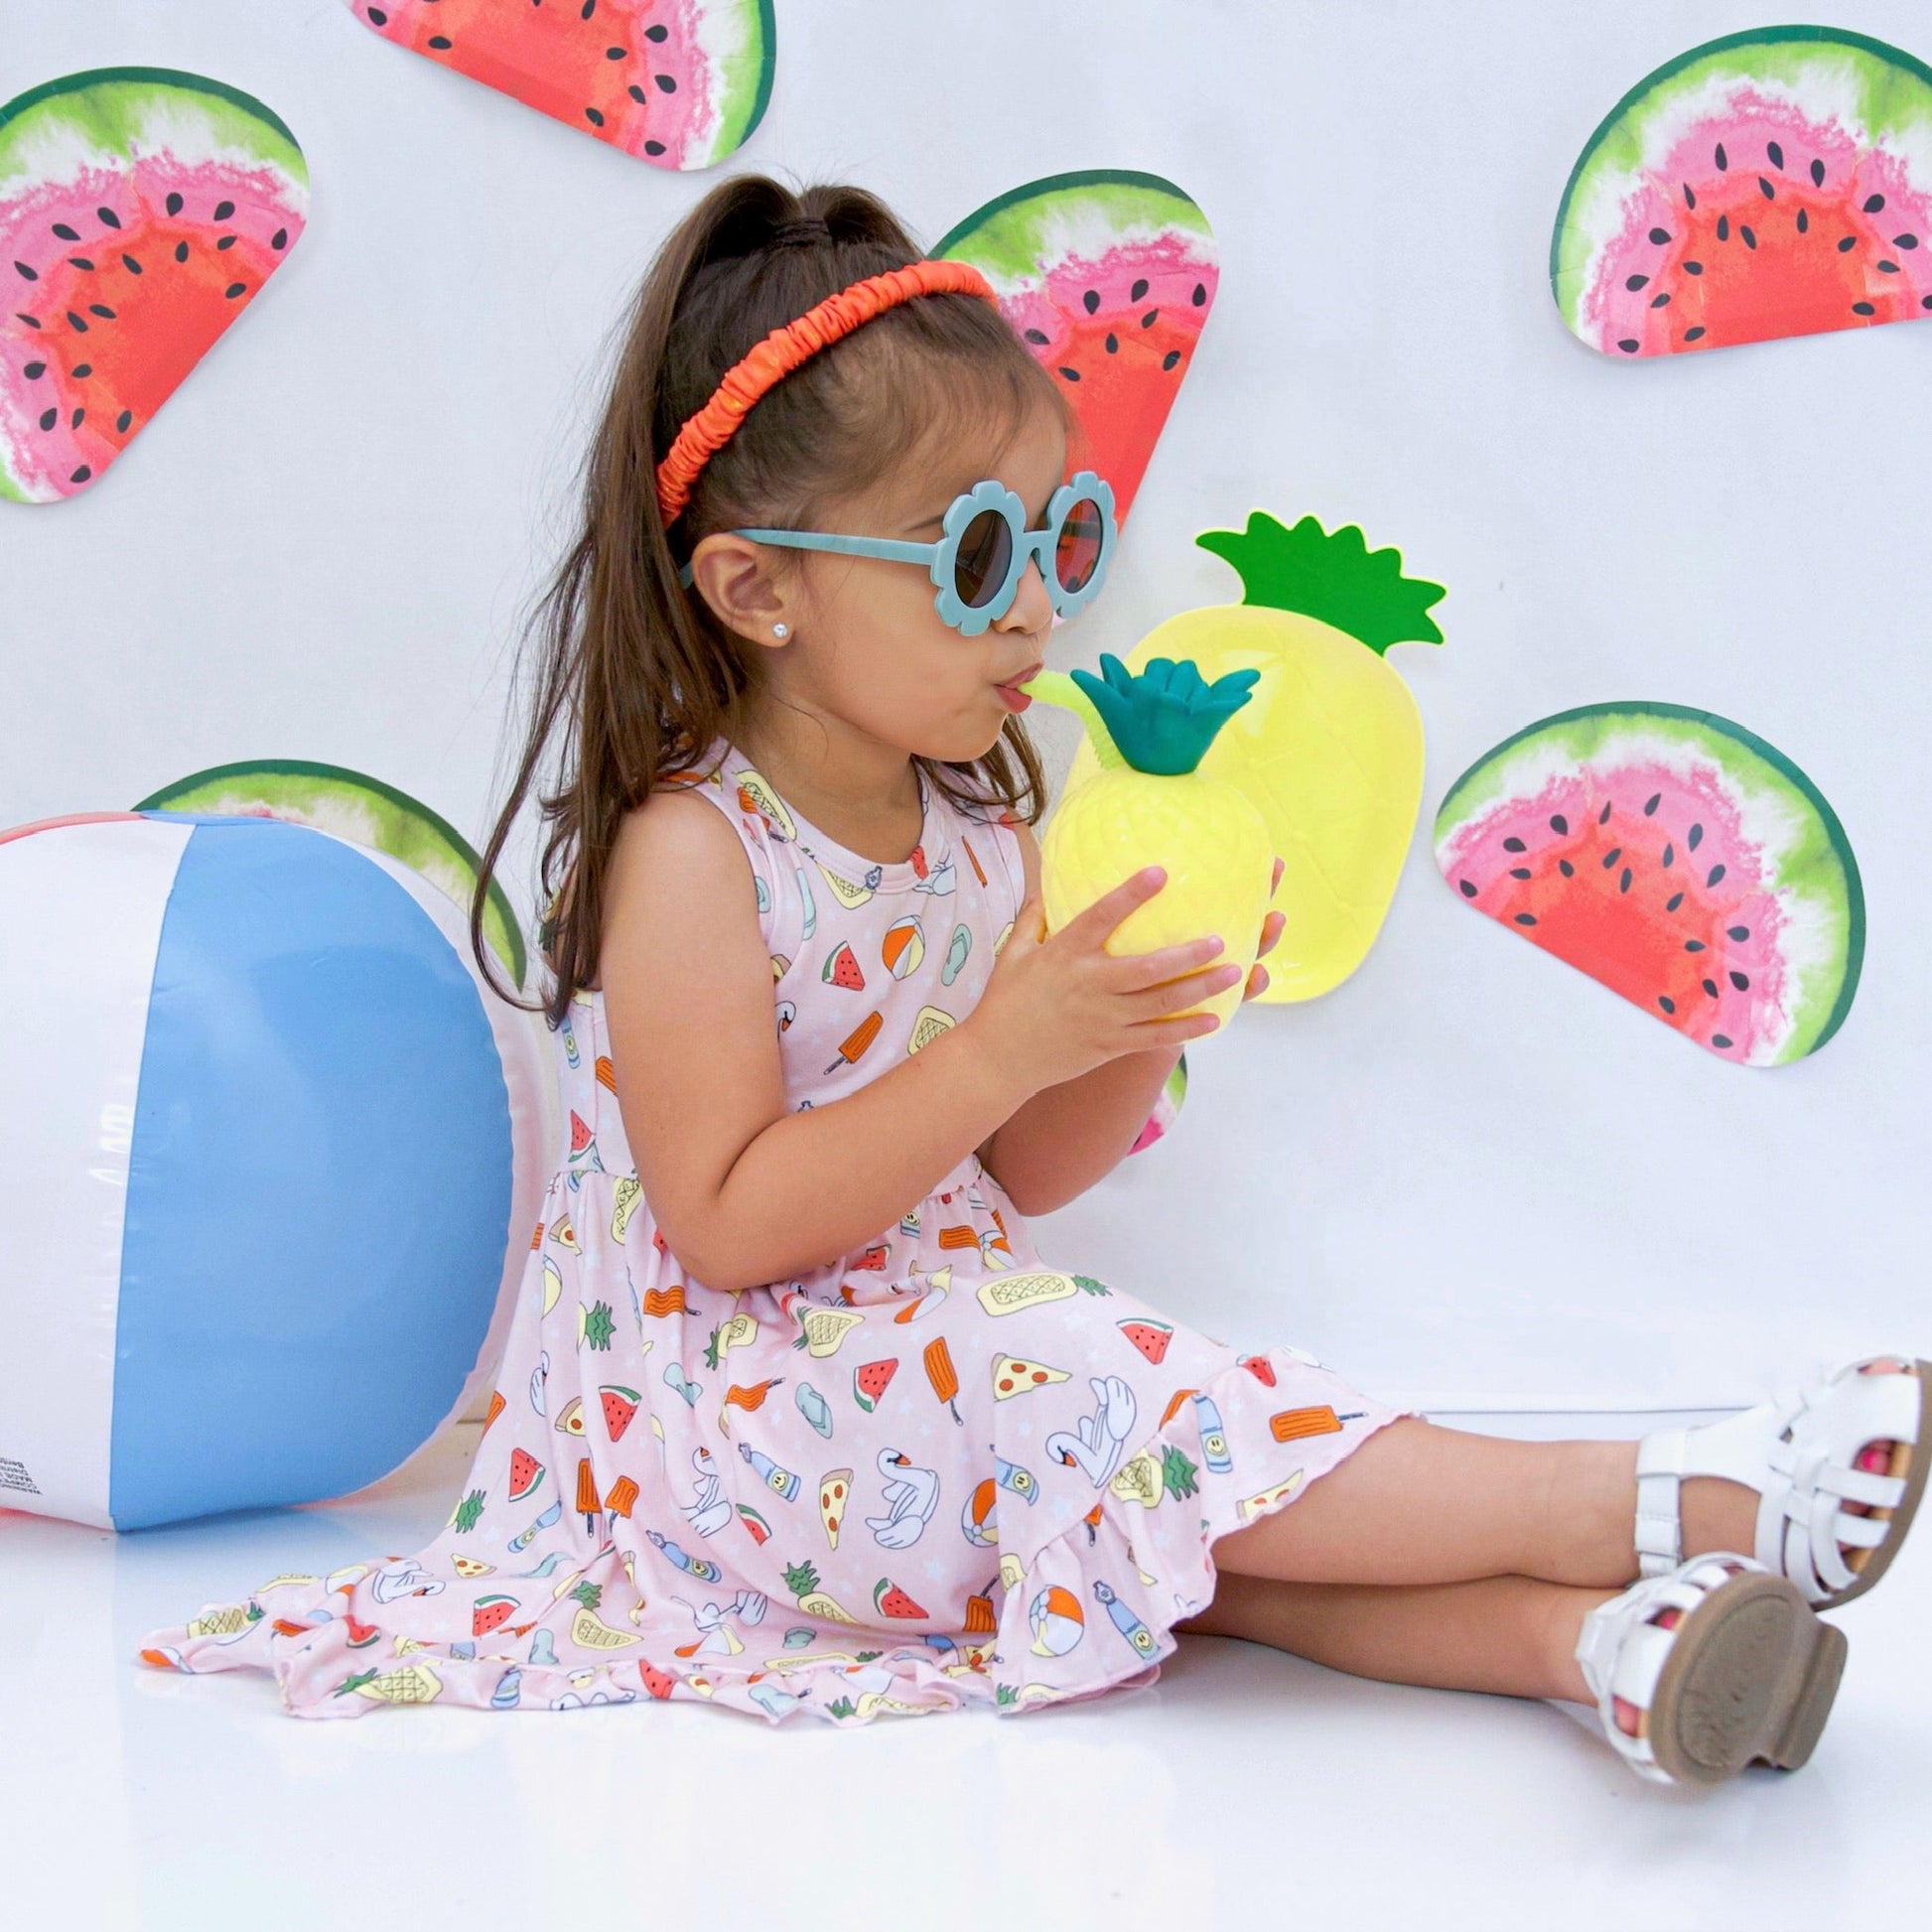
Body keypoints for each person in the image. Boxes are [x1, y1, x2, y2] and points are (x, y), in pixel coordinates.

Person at [140, 178, 1925, 1785]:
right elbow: (730, 1225)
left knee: (1186, 1526)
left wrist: (1137, 1018)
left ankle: (1594, 1646)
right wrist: (1006, 1039)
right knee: (1116, 1394)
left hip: (920, 1369)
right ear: (757, 589)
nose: (1033, 614)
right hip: (721, 1434)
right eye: (973, 557)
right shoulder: (693, 850)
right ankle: (1691, 1489)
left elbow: (1021, 1175)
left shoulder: (981, 827)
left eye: (1059, 538)